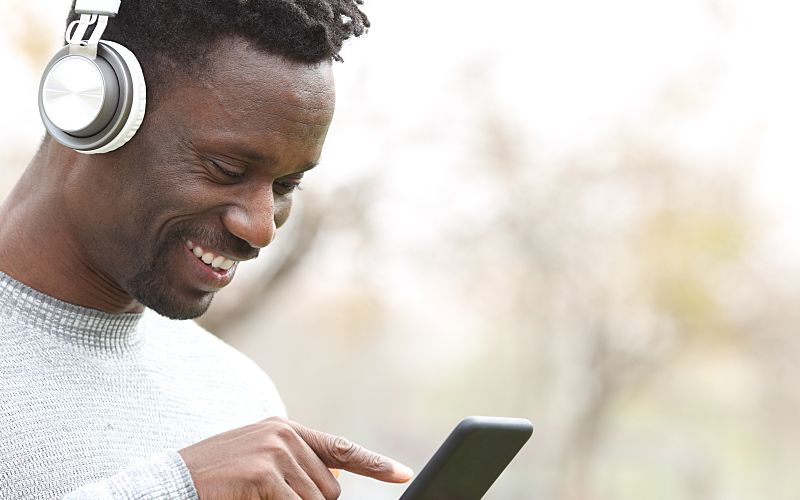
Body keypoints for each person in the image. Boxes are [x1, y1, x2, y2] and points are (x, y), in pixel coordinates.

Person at [0, 1, 413, 498]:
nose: (262, 229)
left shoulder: (239, 394)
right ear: (89, 110)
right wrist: (178, 486)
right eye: (226, 169)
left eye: (285, 185)